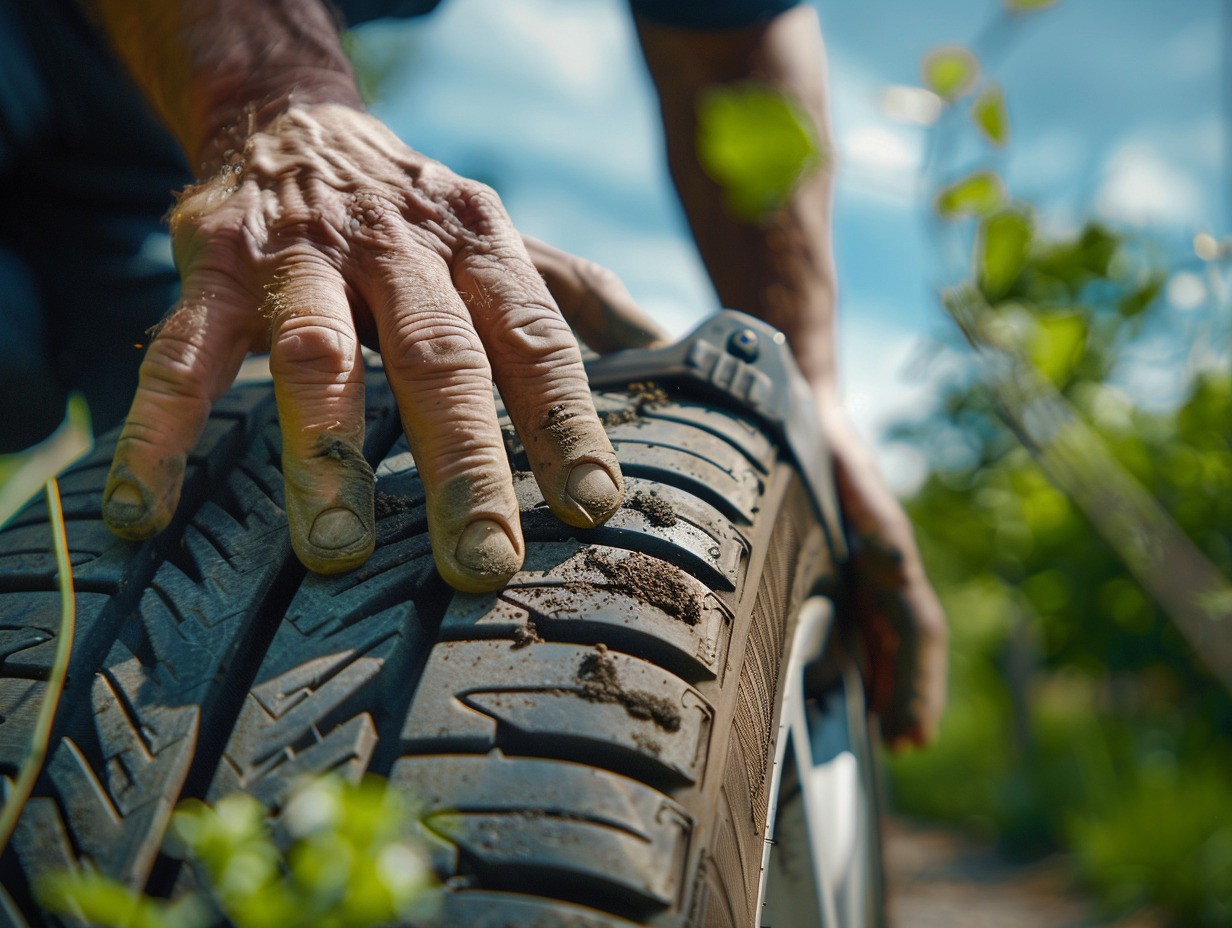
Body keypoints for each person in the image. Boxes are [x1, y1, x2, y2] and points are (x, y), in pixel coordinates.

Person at [0, 0, 946, 747]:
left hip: (139, 152)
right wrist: (283, 104)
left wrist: (807, 388)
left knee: (203, 528)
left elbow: (729, 44)